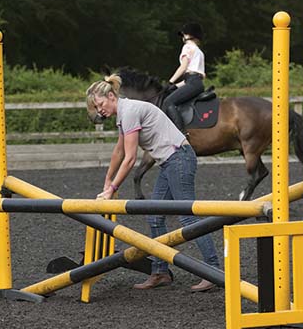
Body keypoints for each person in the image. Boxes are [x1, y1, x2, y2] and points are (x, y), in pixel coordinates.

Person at [86, 74, 220, 292]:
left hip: (178, 159)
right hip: (170, 162)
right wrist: (107, 180)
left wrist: (112, 189)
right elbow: (118, 151)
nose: (100, 110)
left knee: (187, 217)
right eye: (96, 107)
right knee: (155, 216)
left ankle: (213, 271)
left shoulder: (129, 112)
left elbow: (130, 158)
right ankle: (160, 272)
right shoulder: (125, 112)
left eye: (100, 104)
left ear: (111, 96)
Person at [164, 22, 207, 133]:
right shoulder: (198, 51)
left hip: (192, 83)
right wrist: (175, 86)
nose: (182, 38)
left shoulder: (187, 47)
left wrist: (170, 82)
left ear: (187, 35)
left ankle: (180, 133)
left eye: (183, 35)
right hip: (196, 83)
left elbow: (183, 68)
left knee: (168, 102)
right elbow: (193, 76)